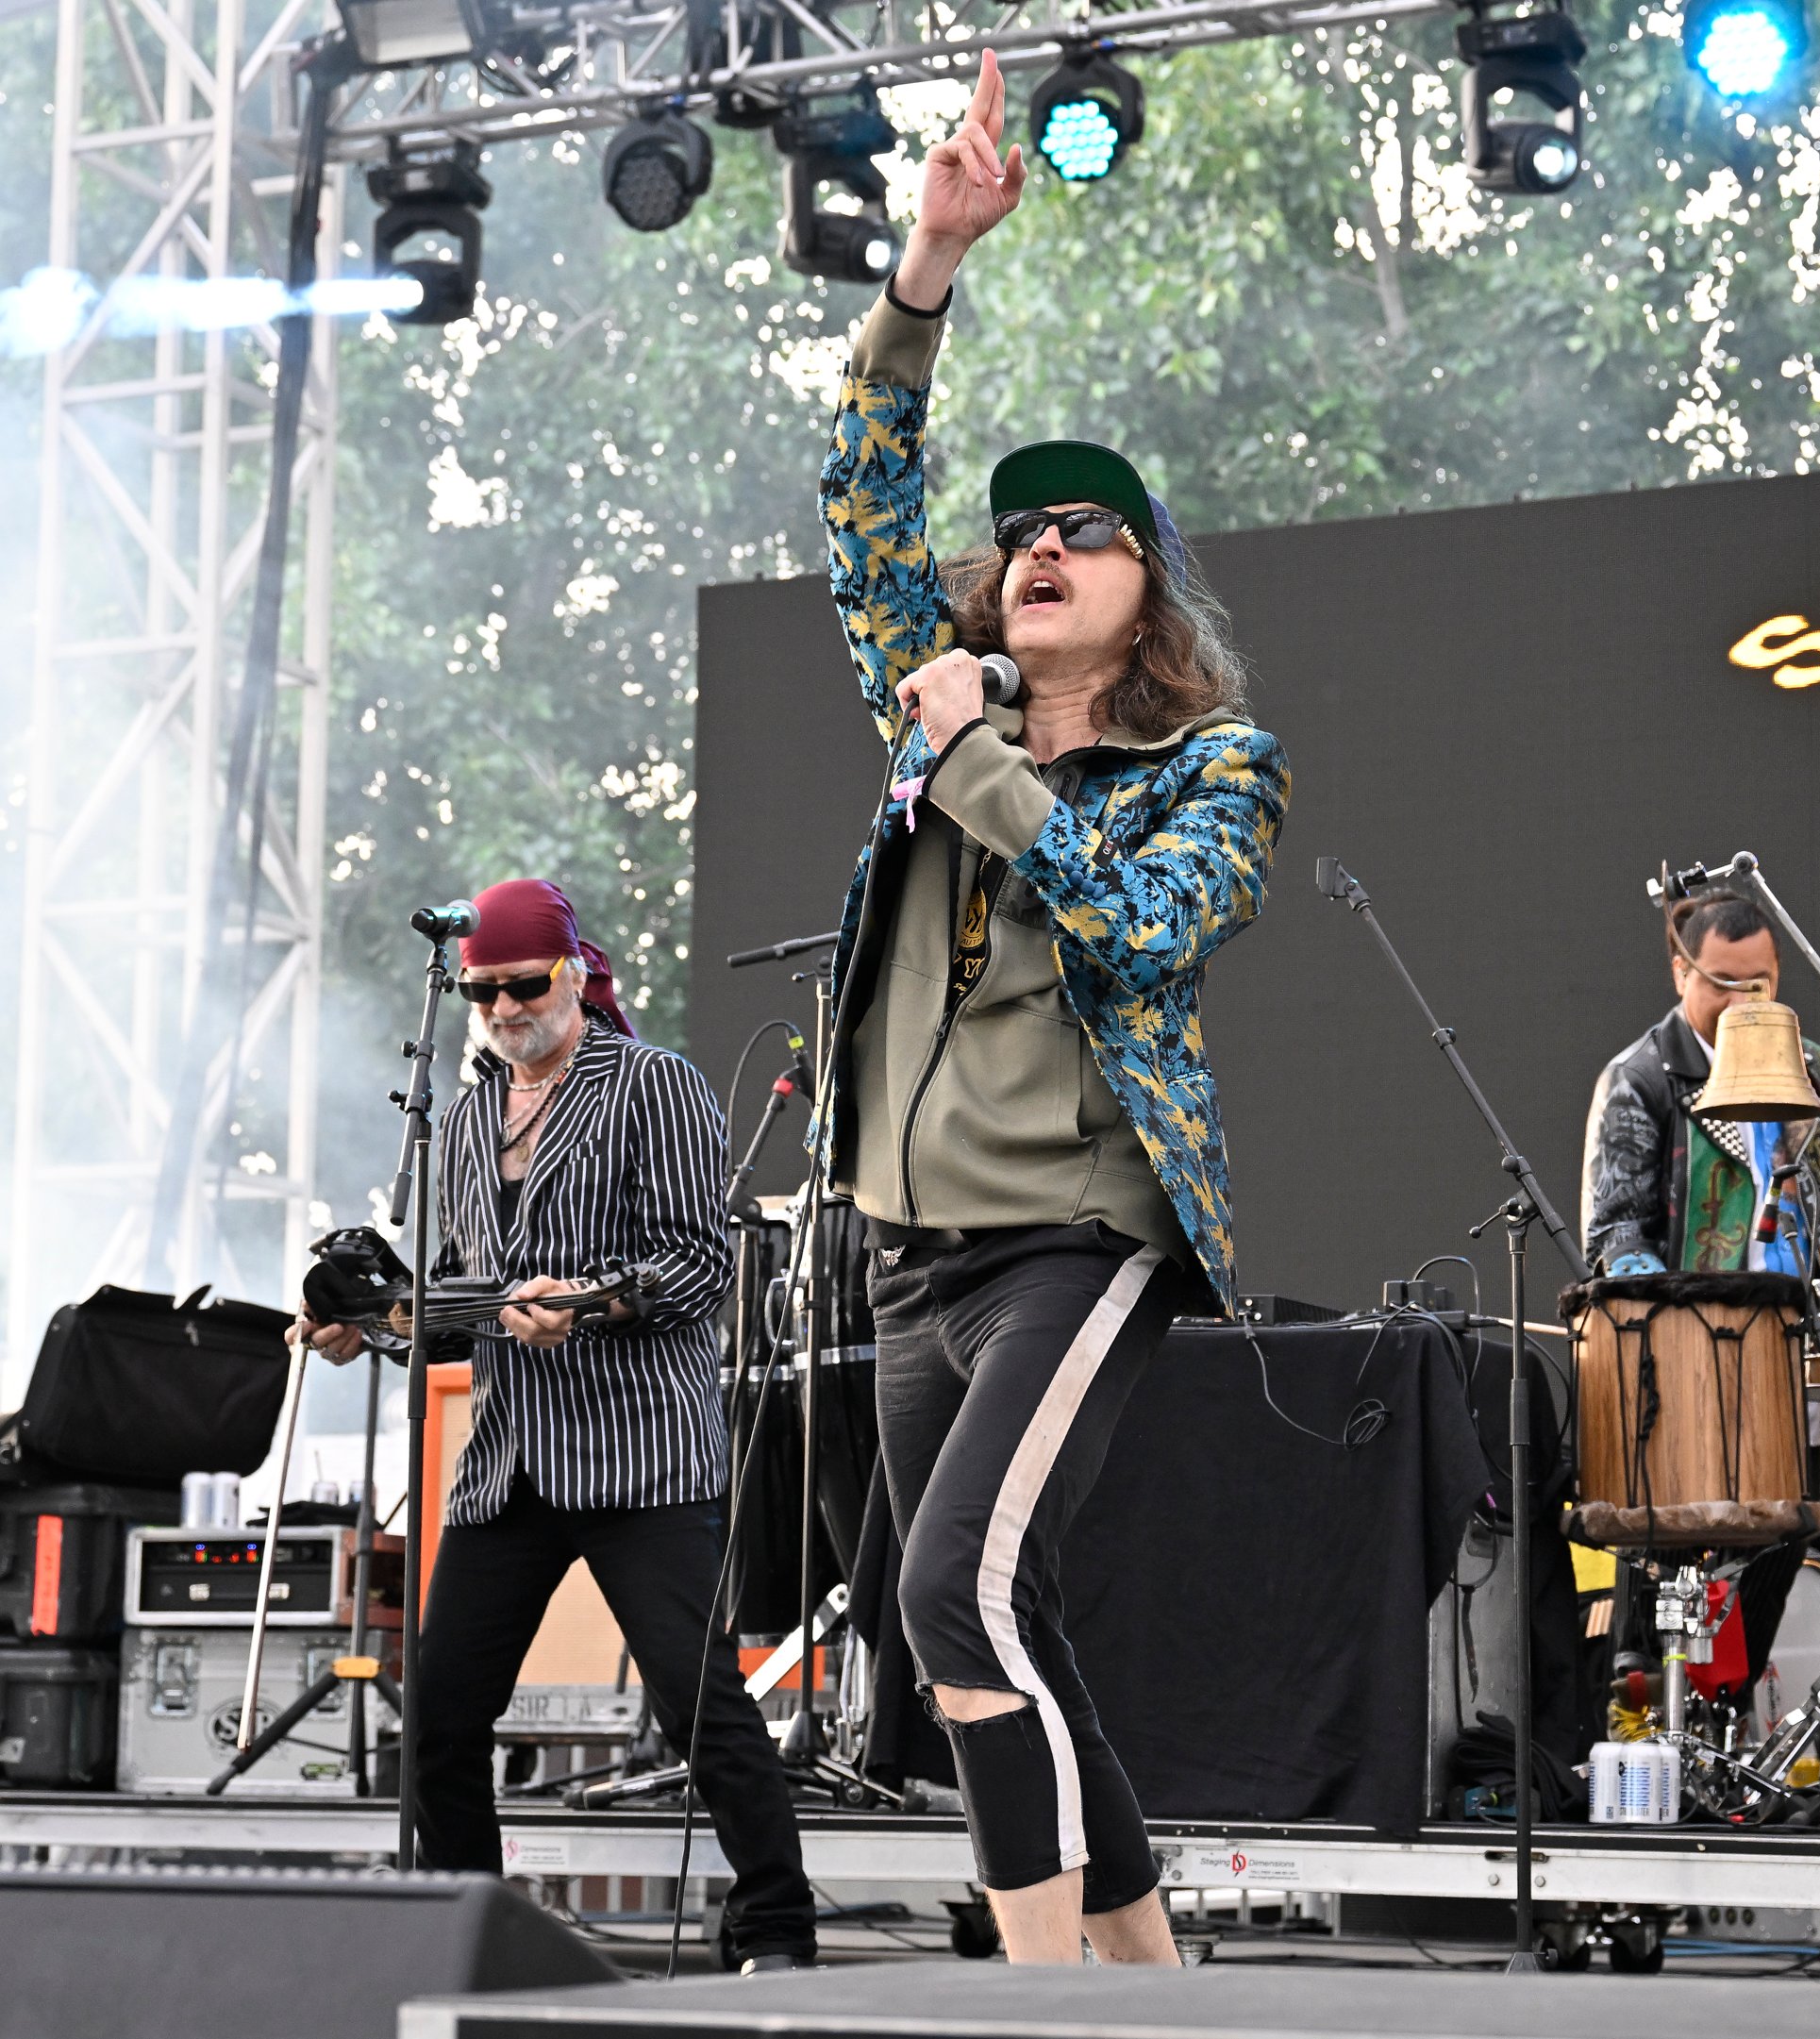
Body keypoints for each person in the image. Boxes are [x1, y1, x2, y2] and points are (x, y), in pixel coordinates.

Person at [814, 49, 1289, 1968]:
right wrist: (929, 263)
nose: (1038, 551)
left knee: (954, 1603)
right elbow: (860, 510)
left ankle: (1033, 2004)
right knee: (1008, 1625)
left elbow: (1145, 933)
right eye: (1021, 533)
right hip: (912, 1252)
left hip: (1080, 1235)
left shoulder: (1214, 765)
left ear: (1140, 591)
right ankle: (1159, 1984)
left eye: (1080, 534)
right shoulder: (940, 707)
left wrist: (983, 771)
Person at [292, 877, 816, 1973]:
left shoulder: (653, 1085)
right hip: (511, 1467)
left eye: (524, 984)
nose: (503, 1008)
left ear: (575, 973)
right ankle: (466, 1934)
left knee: (703, 1710)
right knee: (439, 1721)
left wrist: (590, 1298)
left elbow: (698, 1263)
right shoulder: (471, 1110)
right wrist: (377, 1327)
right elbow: (464, 1294)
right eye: (483, 992)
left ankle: (777, 1930)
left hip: (640, 1456)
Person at [1580, 888, 1820, 1278]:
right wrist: (1676, 1323)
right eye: (1721, 983)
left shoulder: (1813, 1066)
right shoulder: (1638, 1080)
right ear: (1681, 973)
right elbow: (1615, 1235)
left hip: (1805, 1321)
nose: (1740, 1004)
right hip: (1695, 1325)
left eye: (1757, 985)